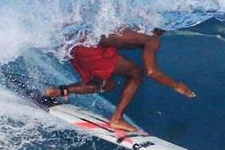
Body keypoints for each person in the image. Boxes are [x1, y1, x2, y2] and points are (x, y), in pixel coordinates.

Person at [44, 28, 196, 132]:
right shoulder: (153, 38)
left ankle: (57, 91)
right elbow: (152, 72)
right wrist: (177, 86)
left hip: (74, 43)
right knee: (136, 72)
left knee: (106, 84)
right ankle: (117, 119)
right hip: (89, 48)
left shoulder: (137, 26)